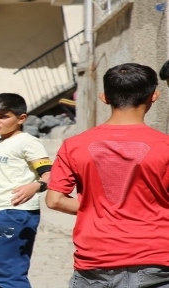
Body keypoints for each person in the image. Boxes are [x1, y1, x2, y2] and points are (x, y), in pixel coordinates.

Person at [45, 63, 169, 287]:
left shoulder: (74, 145)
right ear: (154, 96)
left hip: (95, 258)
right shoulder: (165, 146)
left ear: (103, 97)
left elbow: (54, 200)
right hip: (156, 258)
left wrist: (97, 206)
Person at [0, 93, 52, 288]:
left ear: (21, 118)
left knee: (8, 276)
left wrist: (36, 186)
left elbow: (50, 174)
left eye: (3, 116)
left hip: (12, 214)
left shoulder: (27, 142)